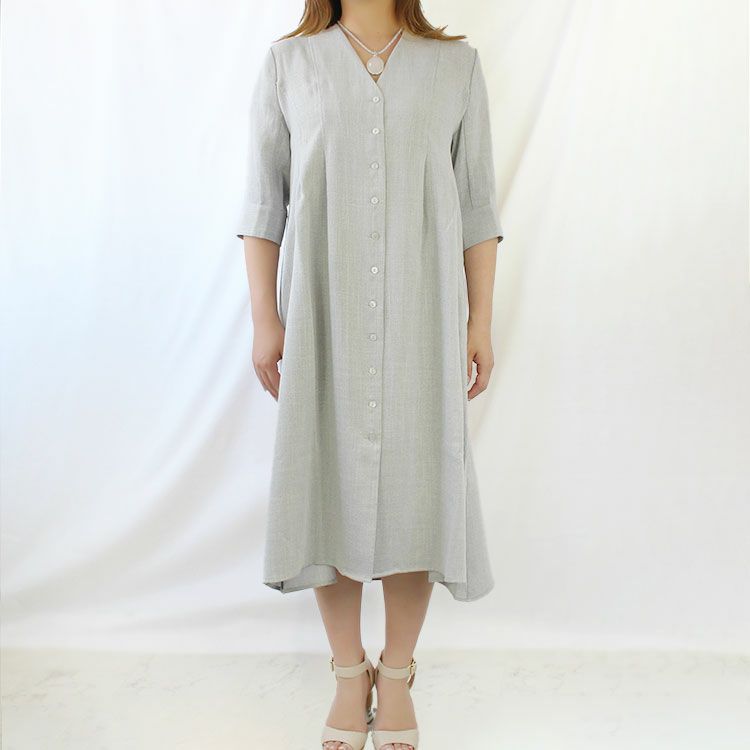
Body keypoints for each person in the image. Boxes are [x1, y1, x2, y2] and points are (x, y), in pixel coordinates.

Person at [237, 1, 503, 748]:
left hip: (425, 314)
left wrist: (481, 319)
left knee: (418, 489)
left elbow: (477, 204)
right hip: (324, 313)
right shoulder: (290, 65)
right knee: (331, 490)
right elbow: (264, 203)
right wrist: (265, 319)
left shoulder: (456, 67)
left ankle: (398, 673)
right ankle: (348, 675)